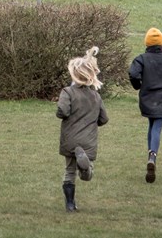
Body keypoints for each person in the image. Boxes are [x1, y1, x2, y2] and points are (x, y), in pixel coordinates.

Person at [56, 46, 108, 213]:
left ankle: (70, 205)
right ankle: (86, 169)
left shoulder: (67, 92)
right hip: (88, 140)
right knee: (86, 175)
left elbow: (62, 111)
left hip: (70, 139)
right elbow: (103, 119)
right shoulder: (96, 96)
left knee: (69, 172)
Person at [128, 27, 162, 184]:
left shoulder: (141, 59)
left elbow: (133, 73)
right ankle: (152, 156)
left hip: (147, 99)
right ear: (161, 43)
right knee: (157, 126)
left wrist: (138, 85)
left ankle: (151, 156)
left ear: (147, 43)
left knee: (151, 125)